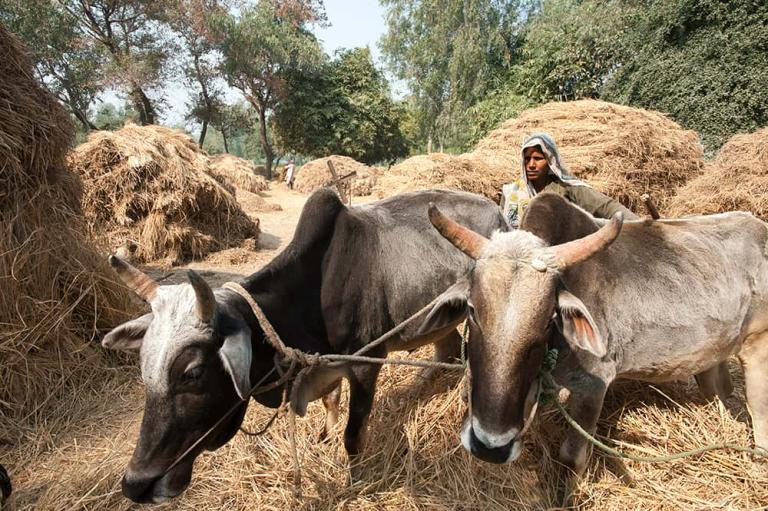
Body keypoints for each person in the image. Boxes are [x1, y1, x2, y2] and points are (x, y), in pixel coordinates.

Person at [500, 133, 638, 228]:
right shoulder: (512, 193)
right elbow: (501, 229)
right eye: (527, 159)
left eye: (538, 159)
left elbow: (606, 206)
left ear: (550, 162)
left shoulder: (566, 188)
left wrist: (638, 224)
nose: (531, 165)